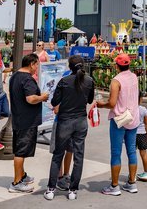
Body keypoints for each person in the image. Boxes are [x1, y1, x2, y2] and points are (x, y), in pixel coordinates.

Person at [44, 55, 94, 200]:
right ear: (83, 65)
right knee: (78, 156)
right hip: (81, 121)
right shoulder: (89, 81)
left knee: (58, 155)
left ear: (69, 67)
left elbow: (54, 101)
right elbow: (89, 100)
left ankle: (51, 189)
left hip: (65, 121)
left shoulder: (64, 81)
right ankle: (73, 190)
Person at [95, 53, 140, 195]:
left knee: (116, 153)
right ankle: (132, 183)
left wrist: (101, 105)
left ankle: (114, 186)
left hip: (119, 120)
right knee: (132, 151)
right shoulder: (134, 77)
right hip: (133, 118)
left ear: (117, 66)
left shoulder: (116, 81)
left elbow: (112, 103)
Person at [8, 53, 48, 194]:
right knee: (21, 152)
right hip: (26, 121)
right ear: (31, 64)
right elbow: (31, 99)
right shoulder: (27, 79)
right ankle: (16, 183)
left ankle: (22, 175)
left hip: (19, 118)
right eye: (37, 64)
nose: (37, 68)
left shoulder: (15, 76)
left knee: (21, 150)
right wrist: (42, 97)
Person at [135, 91, 147, 182]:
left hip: (132, 134)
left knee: (132, 154)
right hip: (142, 134)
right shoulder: (143, 110)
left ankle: (132, 174)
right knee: (143, 154)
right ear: (141, 99)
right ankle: (145, 173)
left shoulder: (130, 109)